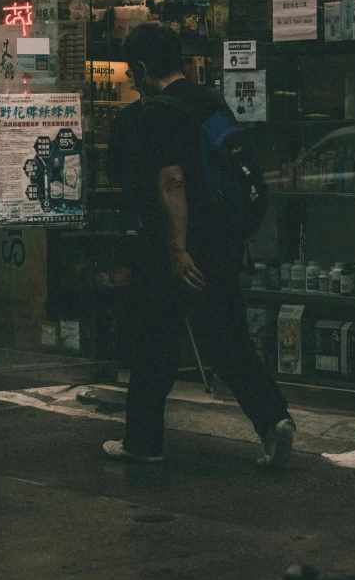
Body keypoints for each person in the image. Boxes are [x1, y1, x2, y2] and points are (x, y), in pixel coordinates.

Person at [105, 23, 294, 468]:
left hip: (174, 250)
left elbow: (172, 183)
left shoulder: (154, 113)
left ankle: (143, 442)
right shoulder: (210, 101)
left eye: (134, 72)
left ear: (144, 67)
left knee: (154, 345)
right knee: (227, 341)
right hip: (221, 243)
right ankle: (274, 422)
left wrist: (176, 250)